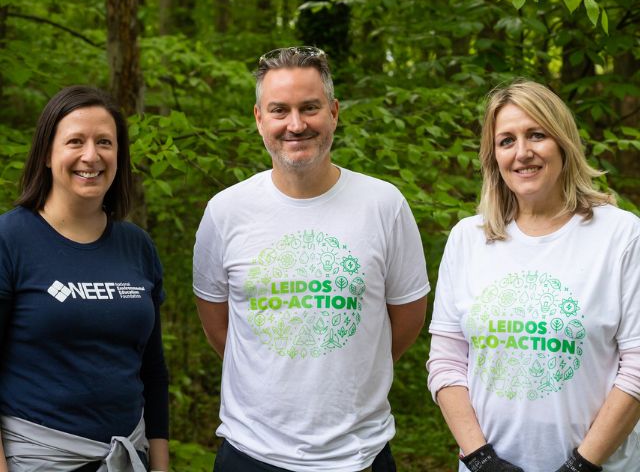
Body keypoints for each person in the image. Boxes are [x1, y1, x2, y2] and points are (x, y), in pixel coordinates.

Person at [193, 46, 429, 471]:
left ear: (334, 112)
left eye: (310, 108)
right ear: (259, 118)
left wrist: (353, 364)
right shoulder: (225, 211)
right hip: (250, 453)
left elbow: (408, 317)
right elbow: (218, 326)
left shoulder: (384, 205)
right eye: (279, 110)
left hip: (359, 455)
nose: (296, 124)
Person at [427, 80, 640, 472]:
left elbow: (637, 368)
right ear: (493, 157)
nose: (522, 152)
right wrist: (481, 459)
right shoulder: (467, 239)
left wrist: (580, 466)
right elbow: (446, 363)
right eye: (506, 141)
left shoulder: (622, 235)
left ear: (563, 143)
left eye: (537, 135)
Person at [0, 86, 170, 471]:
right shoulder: (10, 241)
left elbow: (153, 372)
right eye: (75, 141)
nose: (91, 156)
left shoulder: (137, 246)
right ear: (47, 153)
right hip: (37, 460)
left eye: (105, 142)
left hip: (128, 457)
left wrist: (160, 465)